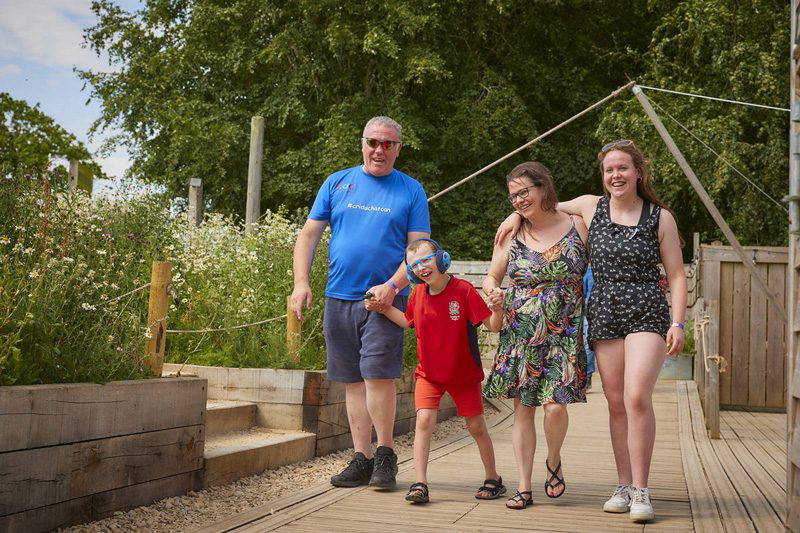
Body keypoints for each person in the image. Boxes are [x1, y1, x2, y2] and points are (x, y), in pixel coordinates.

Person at [494, 140, 687, 522]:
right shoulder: (590, 206)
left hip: (646, 309)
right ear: (603, 176)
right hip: (603, 313)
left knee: (635, 398)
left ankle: (643, 492)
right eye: (609, 170)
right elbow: (540, 207)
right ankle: (623, 485)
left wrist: (677, 322)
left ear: (638, 172)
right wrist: (513, 218)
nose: (616, 175)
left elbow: (677, 275)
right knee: (615, 403)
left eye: (623, 168)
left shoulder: (659, 217)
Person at [290, 116, 431, 489]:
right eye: (374, 142)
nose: (379, 150)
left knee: (378, 377)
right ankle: (361, 458)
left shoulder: (410, 190)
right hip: (339, 297)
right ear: (362, 143)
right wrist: (300, 283)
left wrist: (392, 285)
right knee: (352, 380)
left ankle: (385, 456)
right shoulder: (337, 182)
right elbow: (308, 236)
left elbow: (419, 251)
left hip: (385, 301)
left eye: (388, 144)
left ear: (398, 149)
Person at [482, 161, 589, 510]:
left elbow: (601, 200)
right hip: (521, 332)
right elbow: (491, 277)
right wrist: (493, 292)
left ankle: (554, 459)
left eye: (524, 191)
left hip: (564, 330)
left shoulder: (578, 224)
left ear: (544, 186)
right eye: (513, 196)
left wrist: (553, 206)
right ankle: (524, 486)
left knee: (555, 407)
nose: (518, 201)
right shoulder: (512, 234)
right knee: (523, 408)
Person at [366, 238, 505, 504]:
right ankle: (420, 483)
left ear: (442, 258)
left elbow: (493, 326)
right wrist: (383, 308)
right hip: (428, 374)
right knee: (424, 421)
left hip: (463, 375)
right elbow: (408, 322)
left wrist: (497, 309)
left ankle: (493, 478)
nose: (422, 267)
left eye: (426, 260)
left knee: (476, 427)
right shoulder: (417, 294)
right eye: (415, 265)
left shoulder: (463, 290)